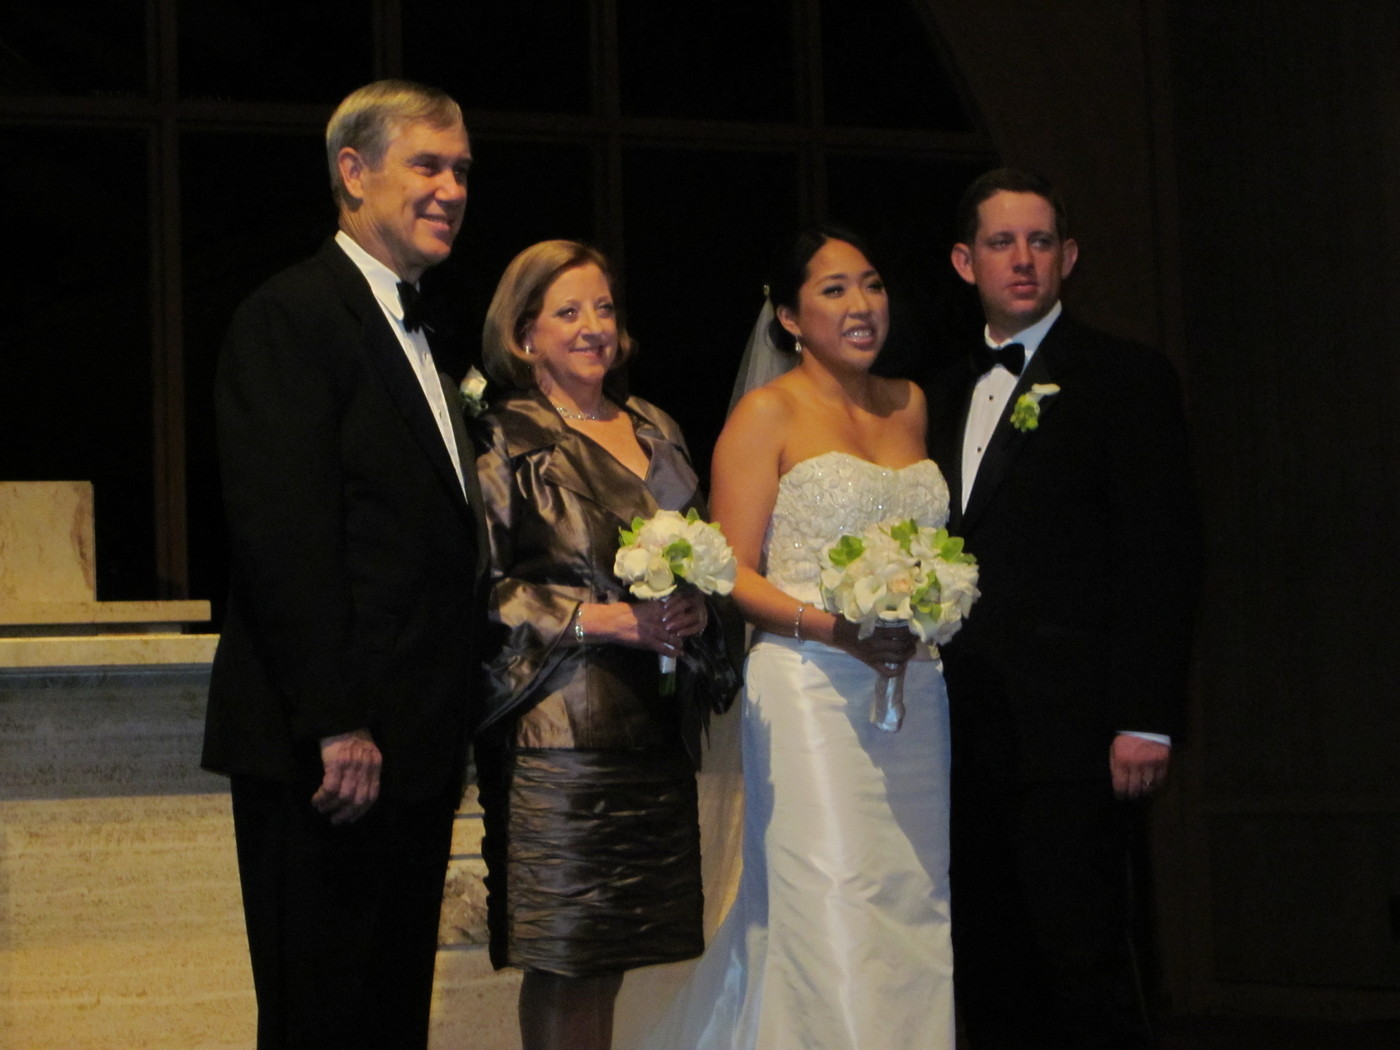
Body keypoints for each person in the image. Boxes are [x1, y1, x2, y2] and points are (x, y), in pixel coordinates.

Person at [201, 80, 487, 1050]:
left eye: (461, 170)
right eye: (427, 165)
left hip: (412, 745)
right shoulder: (291, 315)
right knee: (321, 1018)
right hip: (329, 753)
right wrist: (336, 722)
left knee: (387, 1018)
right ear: (352, 173)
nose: (452, 189)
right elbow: (284, 536)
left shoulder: (426, 329)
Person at [628, 225, 956, 1050]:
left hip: (913, 685)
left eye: (872, 284)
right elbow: (731, 571)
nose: (861, 304)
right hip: (811, 685)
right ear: (788, 317)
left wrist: (928, 601)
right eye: (834, 290)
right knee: (828, 897)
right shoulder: (765, 412)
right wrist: (835, 627)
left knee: (913, 900)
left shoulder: (911, 403)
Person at [924, 168, 1200, 1049]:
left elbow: (1163, 555)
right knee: (991, 966)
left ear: (1069, 257)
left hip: (1079, 730)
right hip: (961, 732)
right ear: (964, 261)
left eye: (1040, 242)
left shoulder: (1126, 377)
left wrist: (1146, 716)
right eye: (1002, 242)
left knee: (1086, 965)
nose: (1023, 259)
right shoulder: (936, 393)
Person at [472, 239, 738, 1050]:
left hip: (652, 730)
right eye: (569, 312)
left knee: (615, 957)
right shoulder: (503, 436)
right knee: (566, 959)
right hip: (559, 737)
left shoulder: (657, 427)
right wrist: (601, 620)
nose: (594, 327)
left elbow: (705, 557)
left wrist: (697, 611)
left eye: (605, 309)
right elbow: (479, 590)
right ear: (524, 336)